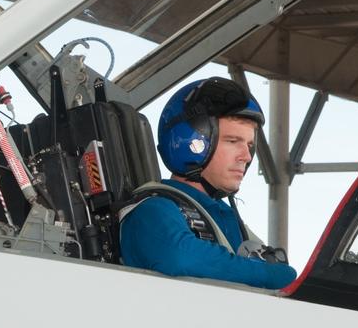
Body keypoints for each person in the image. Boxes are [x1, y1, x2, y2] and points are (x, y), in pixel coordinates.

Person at [120, 77, 297, 290]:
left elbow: (284, 277)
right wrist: (272, 273)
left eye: (249, 144)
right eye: (233, 141)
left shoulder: (227, 217)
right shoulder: (152, 210)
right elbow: (182, 257)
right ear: (192, 143)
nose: (247, 156)